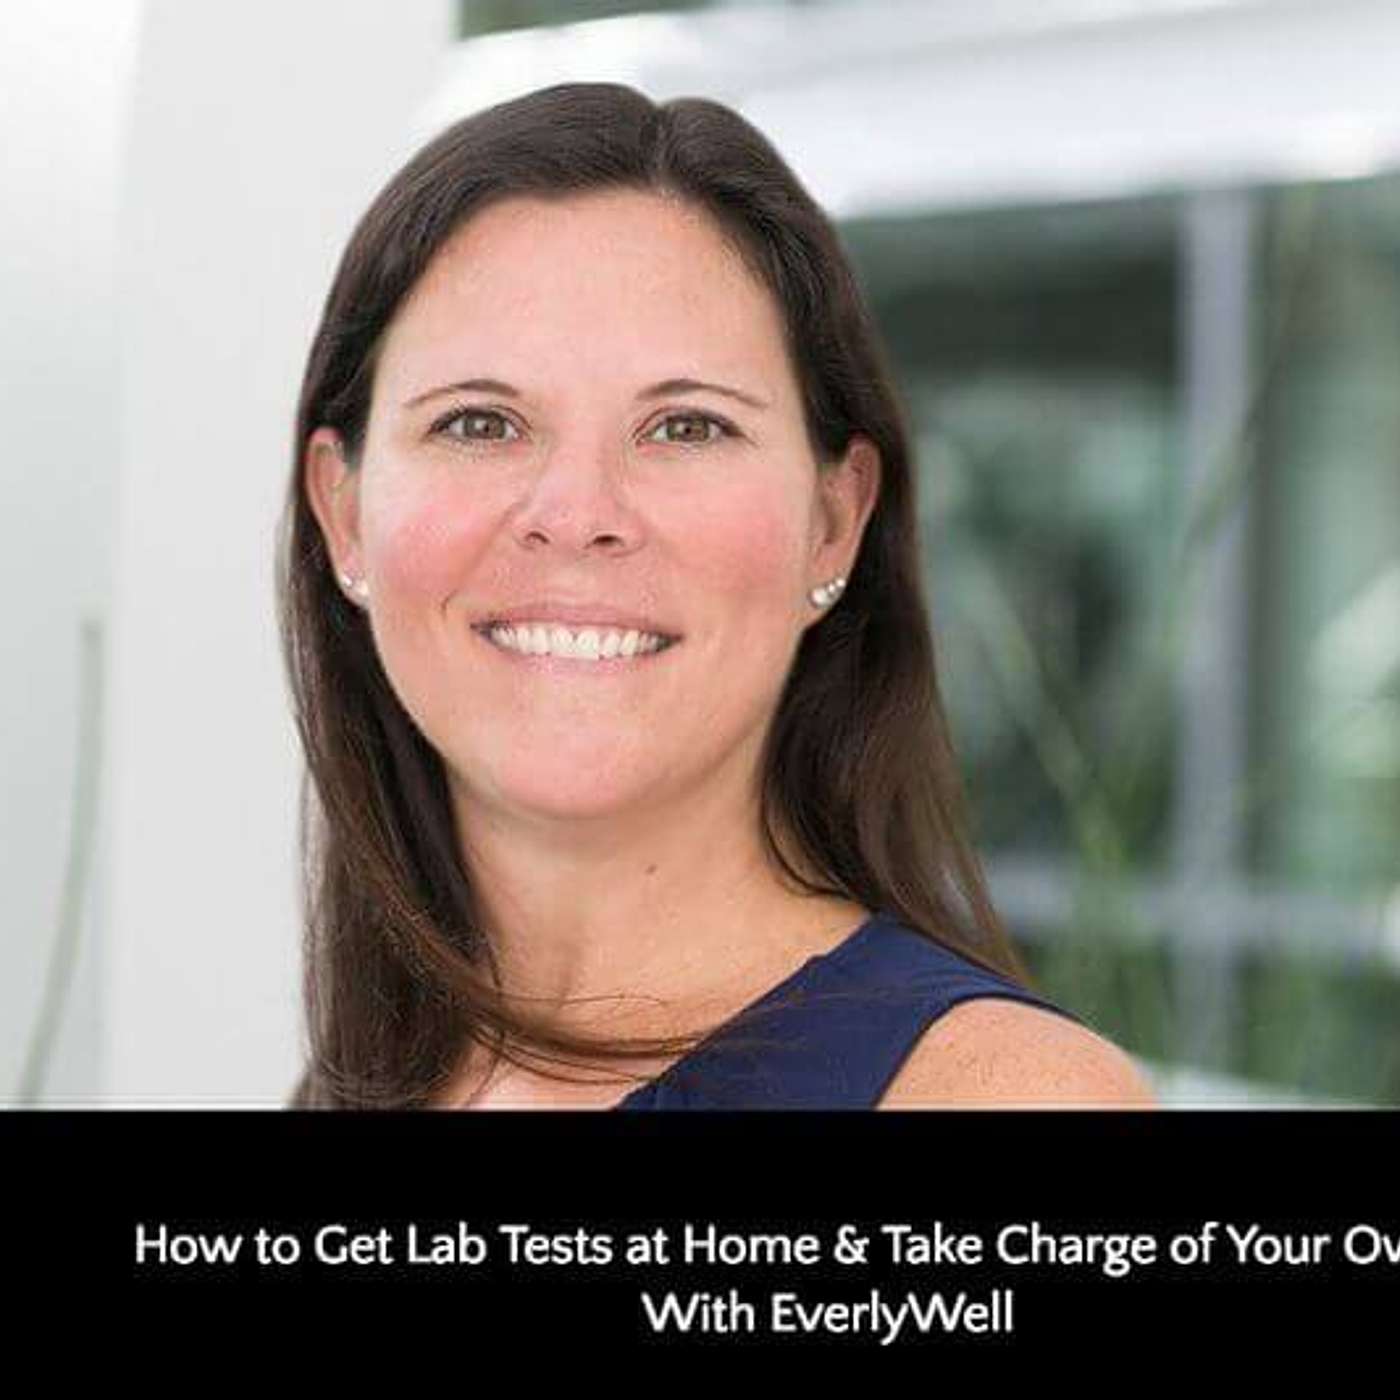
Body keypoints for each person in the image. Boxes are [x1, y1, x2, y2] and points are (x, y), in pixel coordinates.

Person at [279, 81, 1155, 1110]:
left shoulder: (1004, 1095)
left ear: (834, 520)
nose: (577, 513)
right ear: (343, 512)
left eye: (686, 426)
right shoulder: (360, 1083)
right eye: (478, 422)